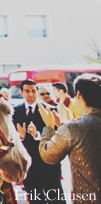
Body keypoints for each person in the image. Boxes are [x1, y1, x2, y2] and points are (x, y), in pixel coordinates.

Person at [38, 73, 101, 203]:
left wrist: (49, 127)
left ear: (78, 95)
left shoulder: (74, 128)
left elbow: (48, 155)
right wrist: (65, 124)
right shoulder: (74, 127)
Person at [13, 79, 65, 203]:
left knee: (56, 199)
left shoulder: (51, 110)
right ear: (21, 92)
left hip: (48, 164)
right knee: (35, 199)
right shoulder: (15, 112)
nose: (30, 94)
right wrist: (21, 136)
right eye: (27, 91)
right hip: (28, 165)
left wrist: (38, 135)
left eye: (33, 91)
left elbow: (59, 137)